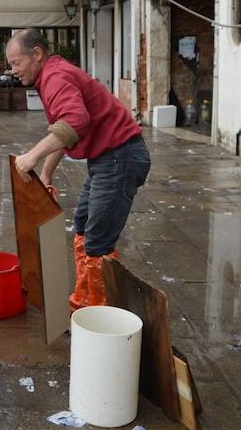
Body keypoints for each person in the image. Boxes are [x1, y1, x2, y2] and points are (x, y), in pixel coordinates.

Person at [8, 29, 150, 310]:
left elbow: (74, 121)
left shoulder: (55, 76)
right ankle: (85, 300)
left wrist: (33, 156)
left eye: (16, 63)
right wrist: (47, 174)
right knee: (84, 226)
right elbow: (65, 131)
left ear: (36, 54)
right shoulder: (51, 74)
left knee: (98, 241)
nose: (12, 70)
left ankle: (99, 316)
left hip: (120, 158)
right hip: (107, 158)